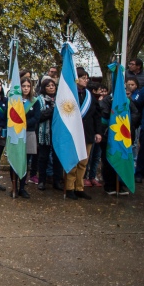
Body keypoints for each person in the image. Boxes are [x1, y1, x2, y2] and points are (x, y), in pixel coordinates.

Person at [63, 68, 102, 200]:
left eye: (87, 78)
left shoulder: (90, 96)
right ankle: (69, 187)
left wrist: (98, 132)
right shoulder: (69, 95)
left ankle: (79, 187)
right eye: (83, 78)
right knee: (73, 162)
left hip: (88, 132)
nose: (86, 80)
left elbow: (97, 115)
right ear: (76, 78)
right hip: (73, 134)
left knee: (83, 162)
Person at [98, 77, 140, 195]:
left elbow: (136, 114)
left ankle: (120, 185)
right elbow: (104, 113)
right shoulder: (107, 100)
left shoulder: (127, 101)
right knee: (109, 160)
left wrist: (127, 123)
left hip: (124, 136)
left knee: (123, 158)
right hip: (110, 135)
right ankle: (109, 185)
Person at [9, 77, 40, 199]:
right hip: (16, 133)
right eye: (23, 86)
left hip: (28, 132)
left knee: (25, 161)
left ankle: (22, 187)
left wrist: (24, 123)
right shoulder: (14, 100)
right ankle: (14, 187)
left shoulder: (35, 101)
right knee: (14, 160)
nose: (26, 88)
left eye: (28, 86)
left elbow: (36, 117)